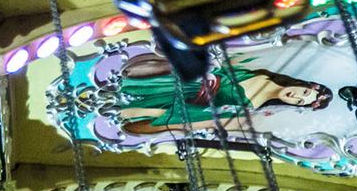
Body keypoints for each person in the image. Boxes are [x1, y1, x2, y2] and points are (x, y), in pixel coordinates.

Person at [114, 52, 333, 136]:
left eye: (301, 102)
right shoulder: (260, 71)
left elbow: (213, 112)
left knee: (192, 117)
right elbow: (223, 60)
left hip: (192, 95)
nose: (296, 97)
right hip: (193, 77)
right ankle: (120, 77)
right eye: (304, 92)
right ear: (303, 84)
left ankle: (140, 112)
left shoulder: (255, 107)